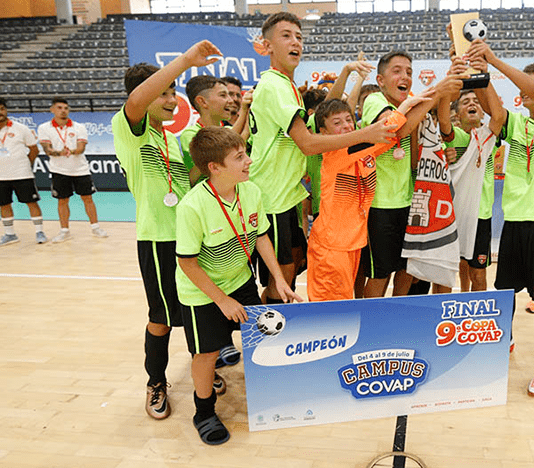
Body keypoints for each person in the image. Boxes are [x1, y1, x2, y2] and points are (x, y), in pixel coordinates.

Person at [246, 12, 399, 305]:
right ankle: (265, 334)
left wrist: (346, 73)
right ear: (266, 46)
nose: (295, 42)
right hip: (271, 198)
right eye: (286, 35)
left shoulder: (286, 85)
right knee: (280, 276)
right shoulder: (275, 86)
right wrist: (365, 134)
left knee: (288, 272)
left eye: (299, 37)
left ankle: (274, 329)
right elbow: (307, 142)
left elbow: (324, 116)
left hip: (287, 197)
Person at [112, 40, 221, 420]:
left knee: (196, 309)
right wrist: (185, 61)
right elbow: (138, 102)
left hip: (189, 239)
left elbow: (187, 182)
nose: (172, 99)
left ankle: (203, 369)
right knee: (161, 318)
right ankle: (155, 381)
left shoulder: (170, 139)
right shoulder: (130, 130)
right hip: (157, 240)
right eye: (164, 91)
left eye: (174, 92)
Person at [177, 126, 300, 445]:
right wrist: (221, 301)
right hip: (201, 292)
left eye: (245, 153)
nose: (248, 161)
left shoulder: (252, 191)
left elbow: (260, 237)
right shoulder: (192, 207)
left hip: (240, 280)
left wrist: (278, 279)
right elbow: (187, 262)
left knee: (264, 333)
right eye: (239, 157)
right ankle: (203, 412)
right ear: (215, 168)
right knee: (207, 353)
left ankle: (269, 390)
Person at [467, 40, 534, 398]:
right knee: (505, 292)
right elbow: (491, 105)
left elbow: (530, 90)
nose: (522, 92)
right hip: (514, 220)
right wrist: (475, 67)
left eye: (531, 86)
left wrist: (494, 59)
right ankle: (505, 341)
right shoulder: (516, 124)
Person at [360, 51, 462, 298]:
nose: (404, 76)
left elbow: (416, 157)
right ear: (381, 80)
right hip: (379, 205)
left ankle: (398, 321)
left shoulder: (415, 103)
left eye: (408, 72)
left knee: (407, 270)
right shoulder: (375, 100)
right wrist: (437, 92)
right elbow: (398, 130)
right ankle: (373, 326)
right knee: (380, 274)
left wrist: (438, 155)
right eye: (397, 71)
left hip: (411, 202)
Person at [307, 99, 413, 300]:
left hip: (353, 243)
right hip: (332, 248)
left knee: (346, 303)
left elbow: (395, 133)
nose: (346, 125)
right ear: (324, 132)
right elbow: (390, 125)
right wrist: (406, 105)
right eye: (337, 123)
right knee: (331, 311)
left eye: (349, 119)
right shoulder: (336, 152)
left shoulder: (363, 153)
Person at [441, 89, 496, 293]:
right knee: (446, 272)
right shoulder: (454, 138)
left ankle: (474, 318)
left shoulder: (492, 135)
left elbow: (499, 116)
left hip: (481, 215)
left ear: (483, 111)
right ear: (457, 113)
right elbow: (443, 122)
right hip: (453, 214)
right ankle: (445, 312)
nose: (472, 104)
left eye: (476, 101)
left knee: (478, 275)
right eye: (465, 102)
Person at [37, 97, 108, 242]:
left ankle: (95, 227)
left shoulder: (79, 127)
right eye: (59, 108)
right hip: (59, 170)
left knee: (88, 198)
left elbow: (81, 148)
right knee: (62, 201)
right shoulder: (44, 128)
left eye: (66, 108)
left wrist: (71, 151)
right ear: (52, 110)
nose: (63, 111)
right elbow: (47, 149)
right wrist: (58, 152)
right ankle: (65, 231)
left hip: (80, 170)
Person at [0, 96, 48, 246]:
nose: (0, 112)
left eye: (2, 109)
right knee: (4, 204)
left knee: (31, 202)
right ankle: (10, 234)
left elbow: (34, 149)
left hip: (22, 173)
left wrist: (26, 163)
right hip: (1, 176)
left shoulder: (20, 128)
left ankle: (39, 232)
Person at [180, 75, 235, 185]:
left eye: (229, 95)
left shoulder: (230, 129)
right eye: (223, 95)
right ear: (202, 102)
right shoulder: (191, 134)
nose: (231, 100)